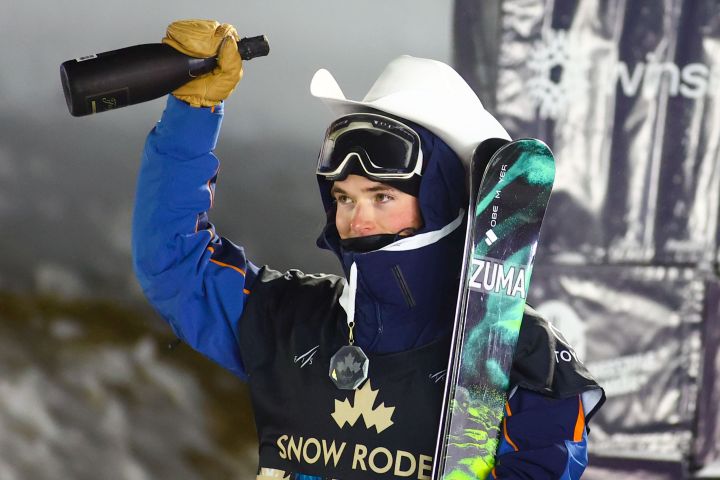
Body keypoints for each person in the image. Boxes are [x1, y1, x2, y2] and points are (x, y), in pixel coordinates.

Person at [132, 20, 605, 480]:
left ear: (442, 200)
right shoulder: (288, 320)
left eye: (383, 197)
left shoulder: (523, 357)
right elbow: (172, 261)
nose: (357, 219)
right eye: (343, 198)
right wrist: (192, 113)